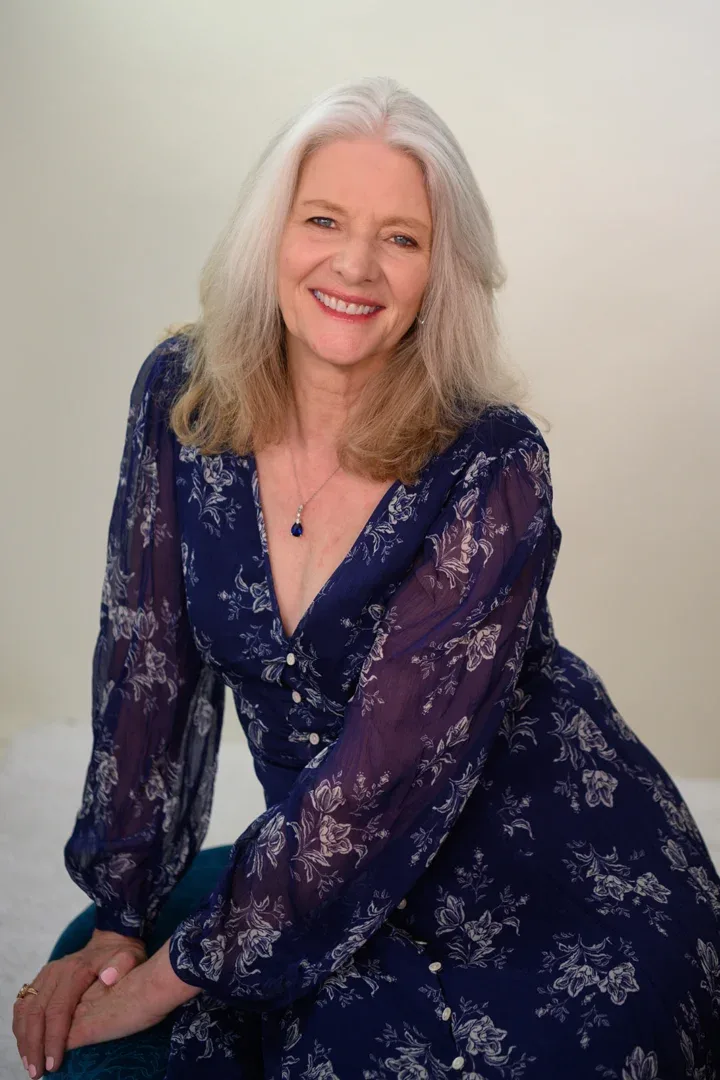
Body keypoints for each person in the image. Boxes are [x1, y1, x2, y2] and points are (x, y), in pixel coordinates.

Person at [12, 75, 720, 1080]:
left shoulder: (493, 463)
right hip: (316, 867)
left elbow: (382, 781)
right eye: (325, 219)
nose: (356, 263)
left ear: (441, 272)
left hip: (544, 872)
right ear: (273, 234)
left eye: (402, 237)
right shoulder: (182, 395)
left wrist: (177, 974)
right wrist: (123, 917)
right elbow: (145, 668)